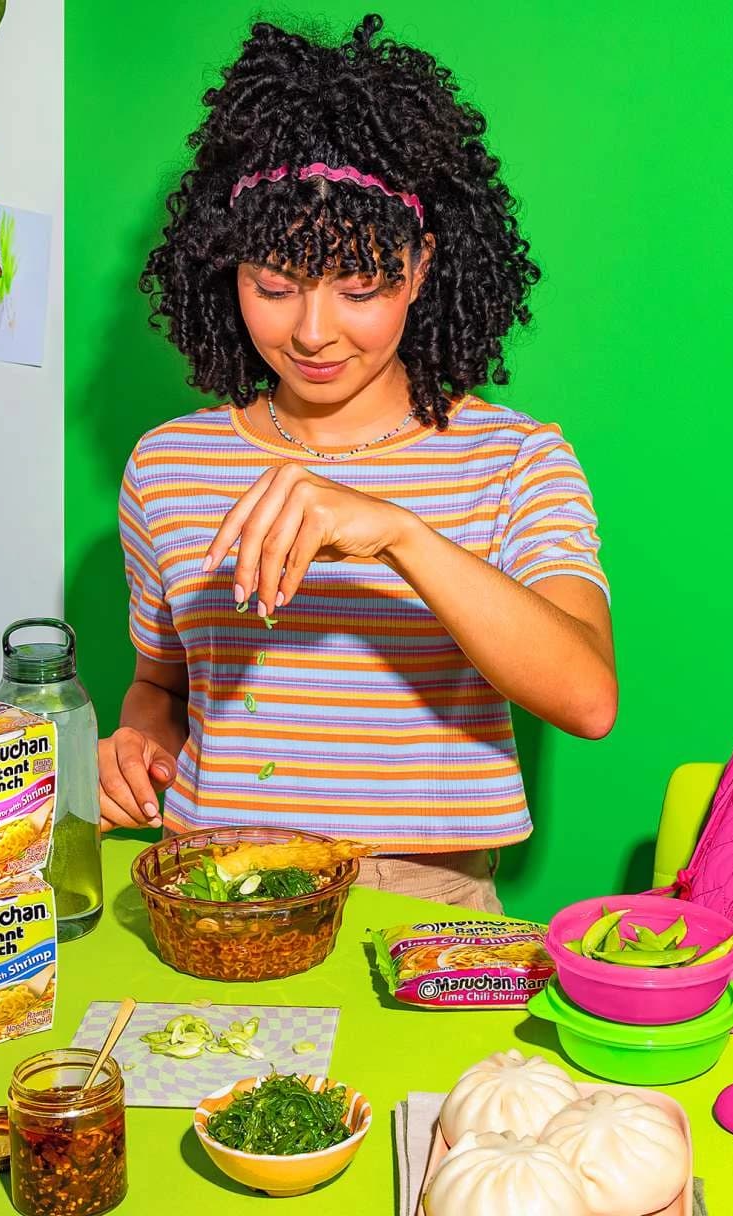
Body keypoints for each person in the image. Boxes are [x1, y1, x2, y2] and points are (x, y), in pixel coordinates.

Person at [100, 13, 616, 912]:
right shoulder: (168, 466)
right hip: (213, 888)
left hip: (423, 897)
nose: (311, 331)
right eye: (273, 285)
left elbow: (587, 697)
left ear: (420, 269)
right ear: (226, 271)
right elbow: (159, 685)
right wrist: (135, 745)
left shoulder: (512, 458)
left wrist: (398, 534)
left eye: (361, 288)